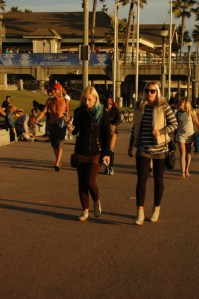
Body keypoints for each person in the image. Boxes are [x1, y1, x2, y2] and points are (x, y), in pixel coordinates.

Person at [128, 81, 178, 225]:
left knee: (158, 179)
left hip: (160, 148)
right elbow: (135, 127)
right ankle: (140, 212)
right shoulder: (139, 106)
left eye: (152, 91)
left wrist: (161, 132)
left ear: (157, 92)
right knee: (141, 179)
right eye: (147, 91)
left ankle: (156, 209)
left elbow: (174, 124)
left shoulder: (163, 106)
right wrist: (131, 145)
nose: (149, 94)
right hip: (143, 148)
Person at [71, 86, 110, 222]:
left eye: (89, 99)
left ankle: (96, 199)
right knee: (82, 183)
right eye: (84, 99)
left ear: (95, 99)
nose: (86, 102)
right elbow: (75, 130)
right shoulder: (79, 112)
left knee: (89, 181)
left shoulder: (103, 113)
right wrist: (71, 128)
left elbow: (106, 134)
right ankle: (85, 211)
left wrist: (107, 153)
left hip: (96, 153)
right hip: (81, 152)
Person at [35, 83, 70, 171]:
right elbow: (43, 112)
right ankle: (58, 160)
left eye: (54, 90)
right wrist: (36, 119)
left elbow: (68, 113)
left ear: (59, 90)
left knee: (59, 144)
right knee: (54, 145)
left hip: (61, 125)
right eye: (52, 90)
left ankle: (57, 162)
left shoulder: (65, 101)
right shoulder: (49, 101)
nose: (52, 91)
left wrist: (68, 120)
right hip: (52, 124)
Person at [175, 97, 199, 178]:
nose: (179, 104)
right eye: (179, 102)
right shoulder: (177, 113)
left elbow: (196, 123)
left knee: (188, 153)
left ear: (185, 104)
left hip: (190, 135)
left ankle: (187, 170)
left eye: (181, 102)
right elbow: (175, 124)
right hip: (180, 135)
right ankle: (182, 173)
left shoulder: (191, 112)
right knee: (183, 153)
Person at [103, 96, 121, 175]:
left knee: (110, 150)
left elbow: (119, 119)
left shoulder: (115, 110)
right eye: (108, 102)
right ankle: (106, 167)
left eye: (110, 103)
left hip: (113, 131)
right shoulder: (103, 110)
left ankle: (111, 167)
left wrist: (115, 125)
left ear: (112, 103)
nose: (109, 104)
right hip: (104, 132)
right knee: (105, 150)